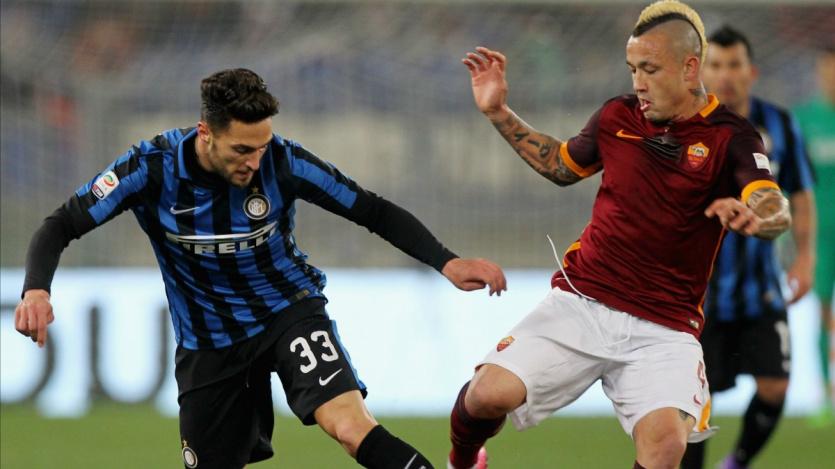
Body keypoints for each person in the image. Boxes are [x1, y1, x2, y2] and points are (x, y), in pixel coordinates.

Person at [14, 68, 507, 469]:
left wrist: (446, 260)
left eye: (261, 146)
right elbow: (62, 224)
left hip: (287, 312)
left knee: (350, 427)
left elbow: (370, 209)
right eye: (242, 149)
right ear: (205, 134)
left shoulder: (284, 162)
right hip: (208, 342)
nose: (255, 161)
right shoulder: (150, 168)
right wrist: (37, 289)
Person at [447, 1, 793, 468]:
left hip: (665, 325)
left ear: (690, 68)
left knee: (666, 445)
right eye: (633, 69)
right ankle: (464, 461)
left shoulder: (732, 136)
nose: (638, 83)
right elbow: (561, 165)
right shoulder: (617, 116)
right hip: (583, 299)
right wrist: (498, 112)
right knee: (487, 395)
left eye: (649, 69)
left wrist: (758, 215)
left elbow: (771, 201)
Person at [679, 25, 817, 469]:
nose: (725, 74)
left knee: (776, 386)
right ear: (702, 72)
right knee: (694, 400)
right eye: (716, 65)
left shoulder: (779, 124)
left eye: (734, 64)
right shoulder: (685, 127)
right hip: (698, 292)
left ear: (751, 71)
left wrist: (805, 257)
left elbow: (801, 194)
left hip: (761, 287)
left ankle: (735, 462)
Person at [793, 46, 835, 427]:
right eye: (827, 71)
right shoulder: (805, 120)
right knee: (822, 311)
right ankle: (825, 393)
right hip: (820, 234)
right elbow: (792, 181)